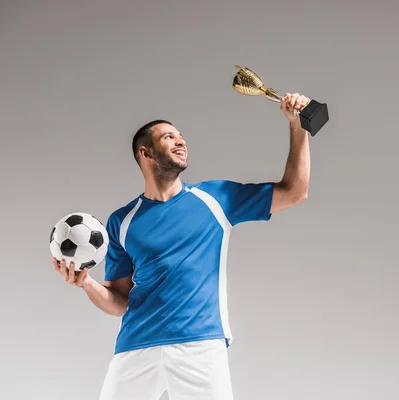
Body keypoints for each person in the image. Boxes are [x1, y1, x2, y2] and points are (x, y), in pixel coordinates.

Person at [51, 92, 312, 400]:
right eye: (168, 137)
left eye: (181, 137)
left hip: (200, 345)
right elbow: (121, 302)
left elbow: (295, 191)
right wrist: (86, 284)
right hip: (136, 345)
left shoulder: (217, 199)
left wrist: (298, 126)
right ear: (146, 153)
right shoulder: (121, 222)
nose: (180, 142)